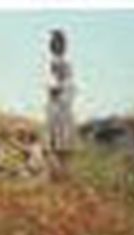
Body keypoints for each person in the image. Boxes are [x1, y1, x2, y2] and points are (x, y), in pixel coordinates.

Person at [46, 29, 76, 180]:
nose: (52, 45)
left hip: (61, 102)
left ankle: (62, 173)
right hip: (59, 102)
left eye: (55, 43)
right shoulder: (57, 62)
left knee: (61, 137)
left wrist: (55, 89)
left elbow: (64, 83)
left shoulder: (61, 63)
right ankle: (59, 172)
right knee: (57, 137)